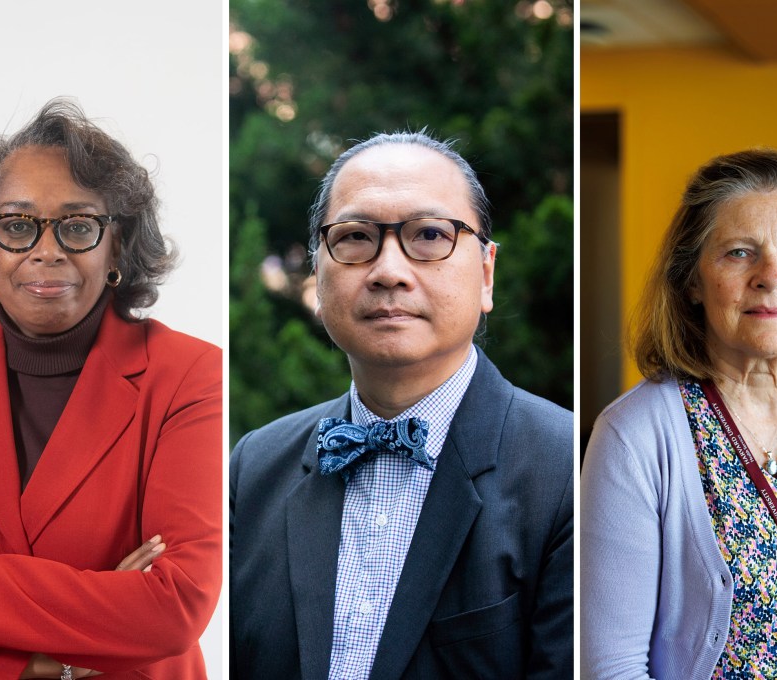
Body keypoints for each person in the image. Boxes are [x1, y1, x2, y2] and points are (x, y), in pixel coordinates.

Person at [0, 99, 222, 679]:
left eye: (79, 225)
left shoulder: (189, 374)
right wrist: (39, 663)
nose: (47, 249)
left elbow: (174, 609)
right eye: (16, 225)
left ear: (117, 246)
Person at [230, 131, 574, 679]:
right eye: (356, 237)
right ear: (318, 275)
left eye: (430, 234)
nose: (388, 270)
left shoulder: (567, 470)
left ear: (486, 273)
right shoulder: (252, 467)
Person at [581, 149, 777, 679]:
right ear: (691, 280)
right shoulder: (632, 436)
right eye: (738, 253)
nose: (771, 276)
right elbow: (611, 666)